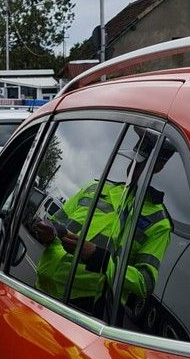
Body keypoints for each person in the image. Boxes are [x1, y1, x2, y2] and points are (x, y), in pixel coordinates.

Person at [32, 131, 174, 315]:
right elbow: (55, 224)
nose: (132, 165)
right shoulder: (95, 188)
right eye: (134, 159)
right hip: (38, 291)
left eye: (141, 162)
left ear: (157, 168)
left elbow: (144, 283)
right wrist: (49, 233)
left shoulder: (159, 222)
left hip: (81, 312)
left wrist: (100, 259)